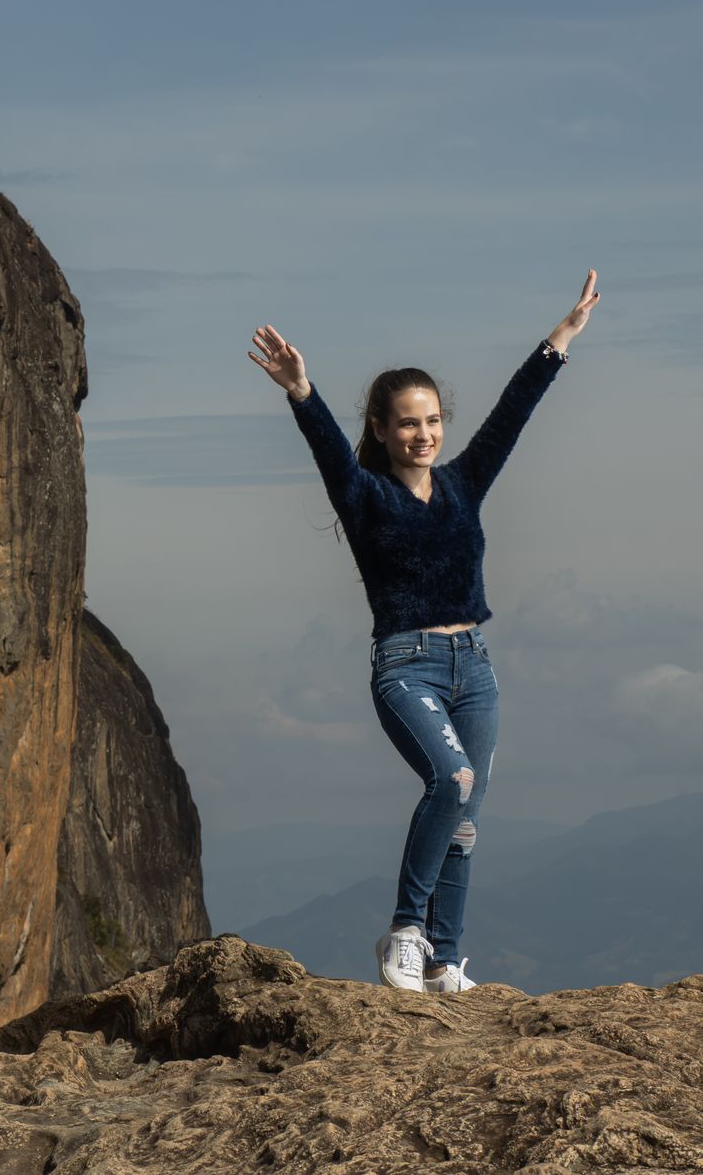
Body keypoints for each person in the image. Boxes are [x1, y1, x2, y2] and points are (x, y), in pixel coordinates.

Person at [247, 270, 601, 994]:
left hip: (475, 665)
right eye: (408, 422)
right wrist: (301, 392)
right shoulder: (366, 496)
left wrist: (557, 341)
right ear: (381, 428)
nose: (424, 433)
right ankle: (404, 930)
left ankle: (444, 961)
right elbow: (328, 454)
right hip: (406, 667)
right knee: (454, 778)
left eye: (433, 419)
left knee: (465, 820)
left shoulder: (464, 483)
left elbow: (511, 415)